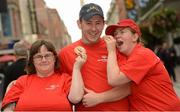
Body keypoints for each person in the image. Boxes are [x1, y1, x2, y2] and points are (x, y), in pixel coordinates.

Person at [59, 3, 129, 111]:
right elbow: (62, 92)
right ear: (79, 24)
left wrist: (99, 98)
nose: (94, 29)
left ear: (104, 24)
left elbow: (128, 88)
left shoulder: (114, 47)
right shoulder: (65, 54)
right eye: (88, 23)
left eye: (98, 23)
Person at [104, 19, 180, 111]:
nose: (116, 36)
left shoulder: (141, 54)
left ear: (135, 37)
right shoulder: (131, 56)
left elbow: (114, 79)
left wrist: (111, 51)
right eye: (115, 34)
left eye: (122, 32)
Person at [1, 39, 86, 111]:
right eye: (38, 57)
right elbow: (7, 109)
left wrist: (76, 68)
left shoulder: (64, 79)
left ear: (54, 58)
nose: (44, 60)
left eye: (47, 55)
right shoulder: (21, 82)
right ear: (32, 61)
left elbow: (76, 98)